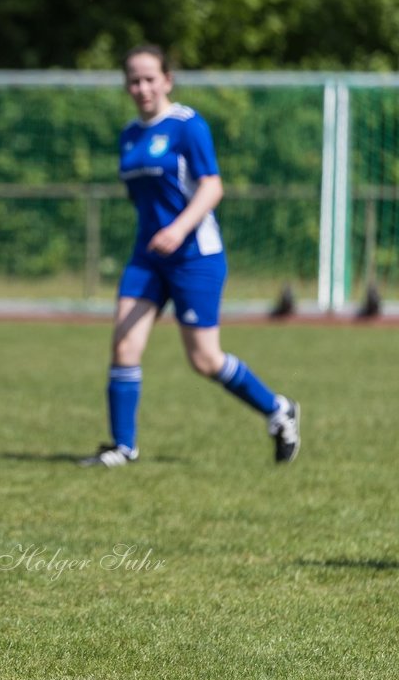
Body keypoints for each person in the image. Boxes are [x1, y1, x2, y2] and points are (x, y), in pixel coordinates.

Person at [80, 45, 300, 468]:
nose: (141, 87)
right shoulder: (129, 134)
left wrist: (179, 228)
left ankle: (278, 409)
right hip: (147, 257)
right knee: (124, 344)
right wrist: (157, 233)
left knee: (205, 359)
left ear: (167, 80)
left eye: (149, 78)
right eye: (133, 80)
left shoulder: (187, 125)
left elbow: (212, 186)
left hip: (194, 256)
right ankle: (123, 448)